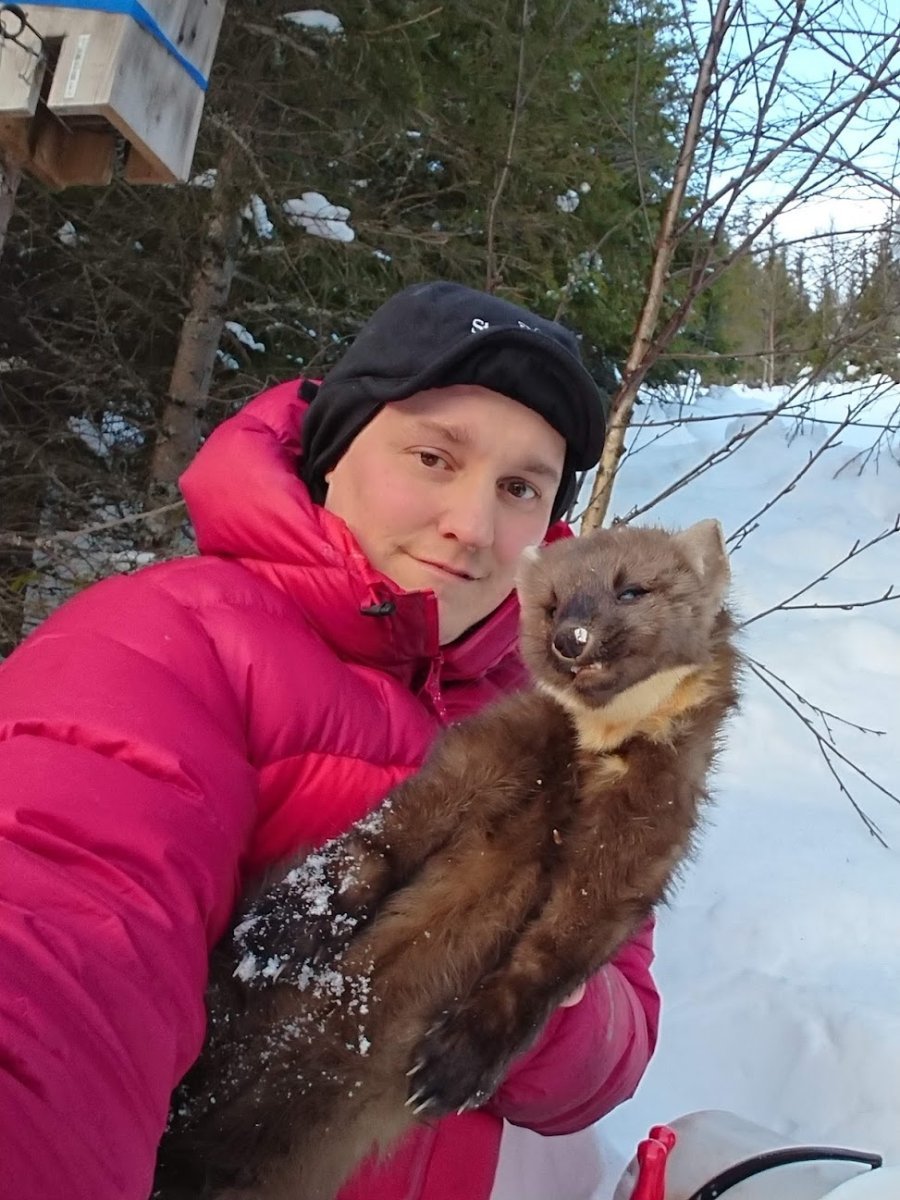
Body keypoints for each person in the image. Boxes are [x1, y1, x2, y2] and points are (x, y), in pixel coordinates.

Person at [0, 281, 660, 1200]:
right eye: (432, 456)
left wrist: (525, 989)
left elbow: (614, 1055)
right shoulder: (162, 645)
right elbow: (57, 960)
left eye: (519, 488)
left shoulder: (566, 725)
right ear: (333, 450)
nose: (473, 526)